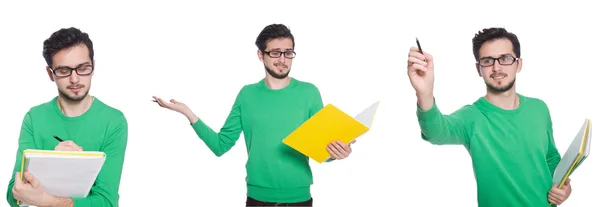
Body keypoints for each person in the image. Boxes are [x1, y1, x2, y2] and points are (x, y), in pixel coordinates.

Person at [153, 23, 355, 207]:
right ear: (261, 55)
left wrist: (336, 153)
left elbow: (321, 149)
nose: (283, 60)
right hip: (258, 200)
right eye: (275, 53)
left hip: (300, 199)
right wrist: (188, 114)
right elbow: (220, 145)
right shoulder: (247, 95)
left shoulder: (309, 93)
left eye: (288, 53)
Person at [406, 27, 572, 206]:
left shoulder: (539, 108)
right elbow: (436, 131)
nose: (497, 67)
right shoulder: (472, 117)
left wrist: (564, 188)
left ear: (519, 64)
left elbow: (550, 158)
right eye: (487, 61)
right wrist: (424, 93)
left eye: (505, 58)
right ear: (479, 69)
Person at [6, 27, 128, 207]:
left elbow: (107, 202)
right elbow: (13, 194)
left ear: (93, 67)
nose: (75, 79)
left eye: (83, 68)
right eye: (64, 70)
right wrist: (54, 164)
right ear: (50, 74)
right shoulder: (34, 117)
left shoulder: (113, 121)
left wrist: (46, 201)